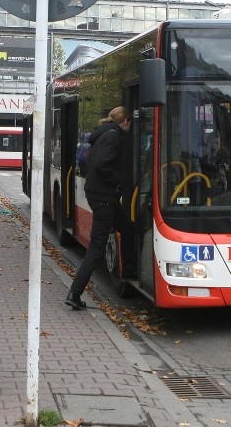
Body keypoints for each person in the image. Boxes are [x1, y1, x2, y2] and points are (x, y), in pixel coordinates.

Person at [66, 106, 138, 310]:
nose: (131, 126)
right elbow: (101, 164)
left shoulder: (105, 134)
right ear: (124, 121)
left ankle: (130, 272)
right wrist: (117, 183)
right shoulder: (113, 136)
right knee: (97, 247)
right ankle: (75, 292)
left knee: (129, 228)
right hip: (104, 197)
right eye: (130, 122)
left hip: (103, 197)